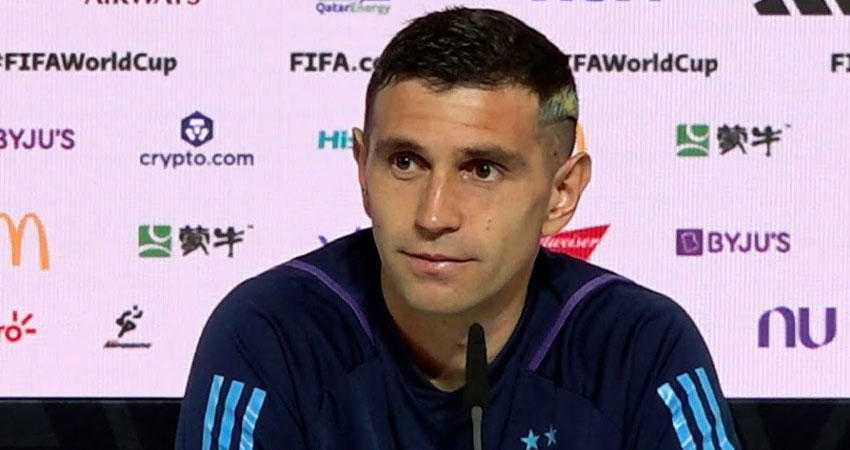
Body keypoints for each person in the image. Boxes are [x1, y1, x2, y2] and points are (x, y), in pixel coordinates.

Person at [175, 7, 741, 450]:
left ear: (562, 193)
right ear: (363, 170)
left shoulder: (638, 344)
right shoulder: (270, 334)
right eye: (405, 162)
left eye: (482, 170)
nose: (433, 215)